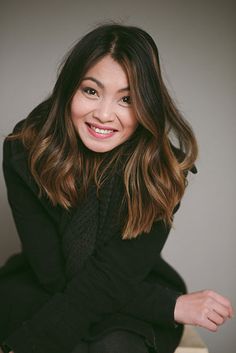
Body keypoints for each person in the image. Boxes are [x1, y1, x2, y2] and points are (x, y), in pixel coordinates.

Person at [0, 23, 233, 353]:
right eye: (91, 91)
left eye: (127, 99)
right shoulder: (25, 150)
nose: (104, 115)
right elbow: (54, 274)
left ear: (146, 107)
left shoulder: (162, 171)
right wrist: (170, 306)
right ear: (69, 90)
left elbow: (114, 274)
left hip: (128, 283)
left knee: (116, 345)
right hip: (45, 284)